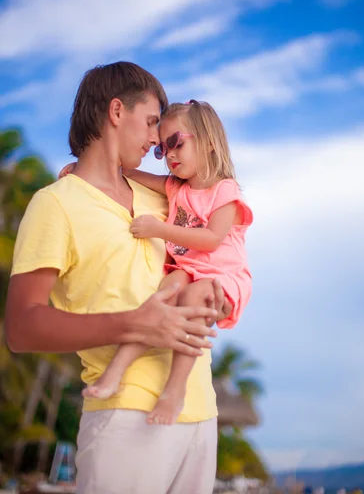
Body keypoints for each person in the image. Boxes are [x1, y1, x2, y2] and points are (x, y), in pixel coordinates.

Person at [5, 61, 229, 494]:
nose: (155, 140)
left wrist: (214, 297)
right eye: (149, 123)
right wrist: (133, 323)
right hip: (123, 418)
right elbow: (20, 326)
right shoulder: (55, 204)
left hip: (201, 412)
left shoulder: (164, 198)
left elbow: (209, 254)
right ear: (115, 111)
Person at [78, 100, 253, 426]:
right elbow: (126, 172)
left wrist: (158, 229)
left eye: (177, 143)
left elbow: (212, 239)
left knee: (193, 297)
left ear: (210, 143)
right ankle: (116, 370)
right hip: (187, 270)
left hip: (222, 275)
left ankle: (175, 390)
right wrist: (79, 170)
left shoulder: (225, 190)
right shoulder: (176, 187)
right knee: (160, 299)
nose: (169, 154)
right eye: (162, 149)